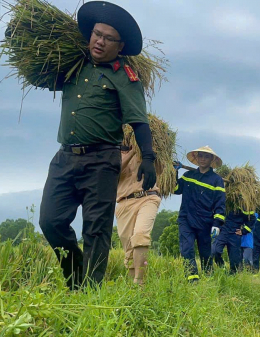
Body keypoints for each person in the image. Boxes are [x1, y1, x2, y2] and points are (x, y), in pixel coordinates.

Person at [38, 1, 157, 290]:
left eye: (108, 38)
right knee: (50, 222)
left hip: (102, 161)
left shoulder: (124, 77)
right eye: (96, 34)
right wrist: (20, 39)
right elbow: (39, 74)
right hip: (64, 158)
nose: (99, 41)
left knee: (95, 229)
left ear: (120, 45)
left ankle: (89, 291)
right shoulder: (72, 66)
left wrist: (149, 157)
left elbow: (138, 121)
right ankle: (76, 275)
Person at [174, 146, 226, 282]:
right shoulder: (188, 176)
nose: (203, 159)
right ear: (196, 158)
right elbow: (176, 189)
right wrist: (173, 173)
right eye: (201, 156)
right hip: (186, 219)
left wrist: (217, 224)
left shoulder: (216, 180)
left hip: (205, 221)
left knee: (205, 253)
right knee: (186, 248)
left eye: (206, 156)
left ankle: (208, 278)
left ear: (212, 159)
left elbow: (220, 203)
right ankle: (192, 279)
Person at [115, 145, 163, 286]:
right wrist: (133, 150)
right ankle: (134, 288)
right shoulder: (113, 152)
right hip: (124, 202)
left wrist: (147, 150)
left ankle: (139, 280)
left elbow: (159, 170)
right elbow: (115, 170)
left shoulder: (147, 151)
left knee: (141, 235)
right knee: (129, 247)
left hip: (148, 197)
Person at [213, 208, 256, 274]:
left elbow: (252, 219)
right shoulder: (225, 201)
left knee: (235, 260)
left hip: (235, 233)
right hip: (223, 231)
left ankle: (231, 276)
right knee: (215, 251)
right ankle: (222, 268)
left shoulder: (245, 205)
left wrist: (243, 231)